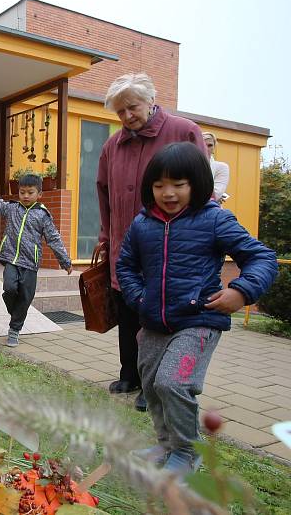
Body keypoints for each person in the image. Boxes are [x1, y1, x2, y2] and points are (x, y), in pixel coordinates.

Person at [117, 142, 278, 474]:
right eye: (159, 185)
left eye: (179, 184)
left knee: (172, 383)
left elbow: (262, 257)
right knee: (152, 388)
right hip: (153, 322)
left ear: (197, 183)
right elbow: (126, 266)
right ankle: (166, 445)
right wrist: (140, 299)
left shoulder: (215, 219)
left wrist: (241, 291)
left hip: (199, 320)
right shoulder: (142, 224)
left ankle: (187, 452)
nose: (168, 192)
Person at [97, 73, 208, 412]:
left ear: (150, 100)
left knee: (156, 318)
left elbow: (203, 189)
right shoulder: (111, 146)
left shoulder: (184, 131)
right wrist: (105, 235)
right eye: (120, 112)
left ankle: (153, 386)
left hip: (169, 246)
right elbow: (103, 193)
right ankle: (128, 373)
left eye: (132, 107)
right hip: (123, 245)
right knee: (128, 312)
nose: (127, 116)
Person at [0, 174, 72, 347]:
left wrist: (65, 261)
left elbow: (53, 238)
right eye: (22, 192)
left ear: (39, 194)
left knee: (25, 297)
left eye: (30, 192)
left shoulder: (42, 215)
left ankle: (14, 330)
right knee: (9, 288)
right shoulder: (12, 208)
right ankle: (16, 316)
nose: (25, 196)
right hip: (11, 259)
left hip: (30, 264)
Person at [202, 132, 230, 202]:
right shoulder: (187, 164)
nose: (206, 148)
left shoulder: (221, 167)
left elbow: (215, 195)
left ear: (214, 148)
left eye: (210, 145)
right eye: (203, 145)